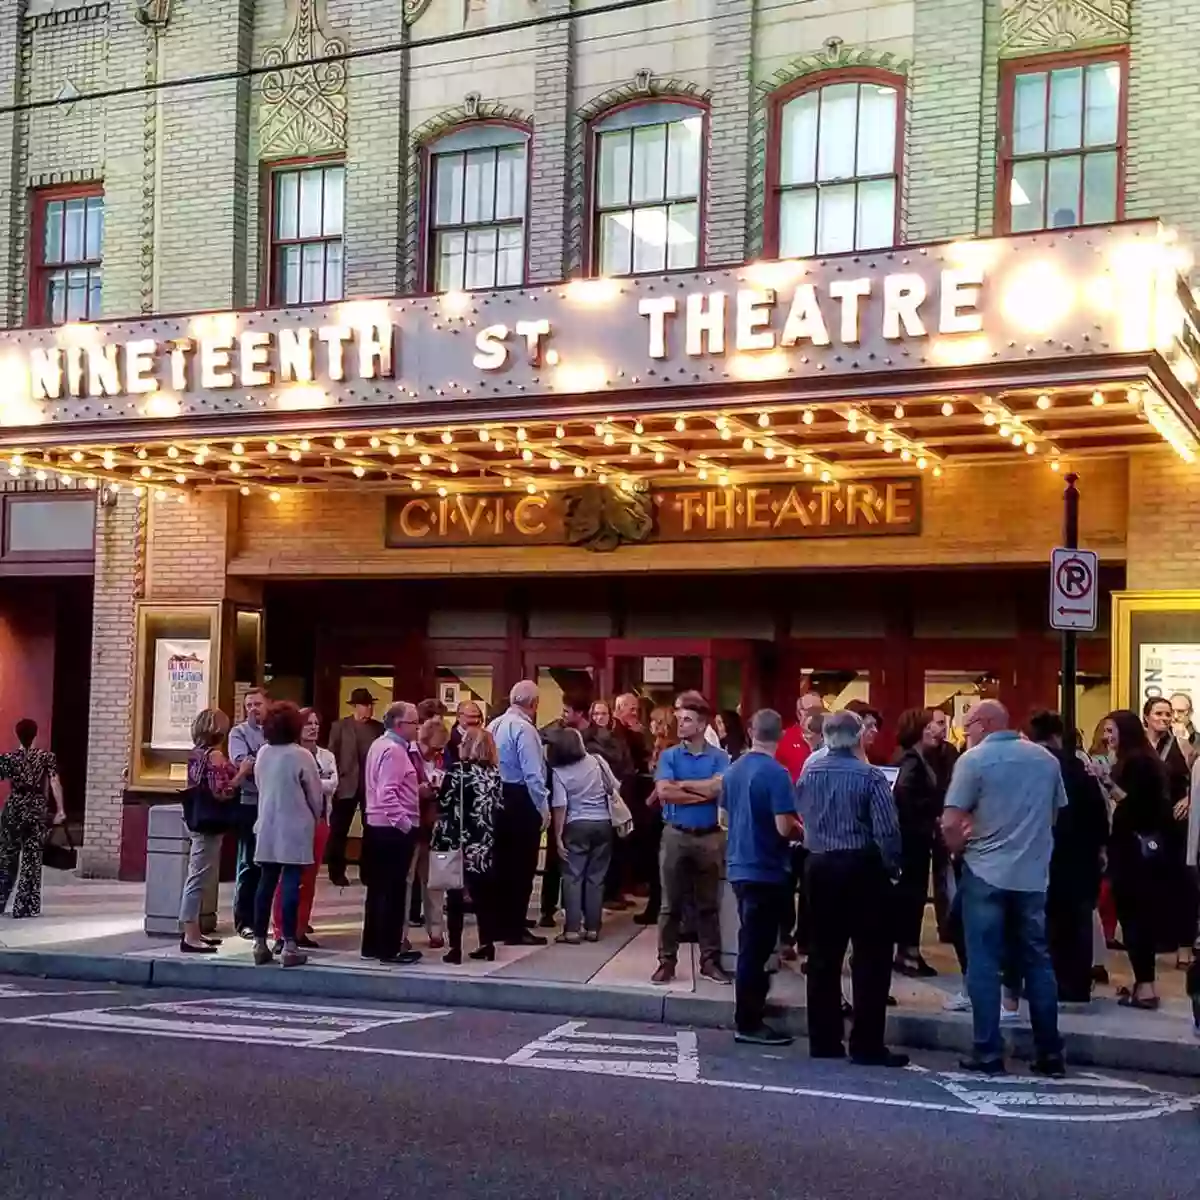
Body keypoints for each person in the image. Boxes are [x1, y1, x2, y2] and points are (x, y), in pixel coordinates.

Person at [941, 700, 1066, 1077]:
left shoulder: (973, 761)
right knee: (1037, 961)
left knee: (983, 962)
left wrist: (958, 847)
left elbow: (950, 820)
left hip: (985, 871)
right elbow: (1055, 813)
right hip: (1031, 876)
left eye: (968, 726)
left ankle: (988, 1051)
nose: (966, 734)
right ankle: (1049, 1052)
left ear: (984, 724)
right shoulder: (1046, 760)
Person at [797, 710, 905, 1066]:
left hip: (819, 862)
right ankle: (866, 1043)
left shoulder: (811, 770)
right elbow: (887, 830)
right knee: (871, 958)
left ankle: (824, 1039)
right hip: (860, 866)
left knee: (823, 955)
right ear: (858, 736)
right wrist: (893, 868)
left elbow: (804, 812)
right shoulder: (870, 776)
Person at [721, 709, 801, 1047]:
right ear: (780, 736)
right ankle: (748, 1020)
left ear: (753, 732)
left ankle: (751, 1008)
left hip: (739, 865)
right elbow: (784, 826)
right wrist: (801, 831)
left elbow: (723, 818)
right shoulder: (777, 773)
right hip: (766, 867)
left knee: (751, 942)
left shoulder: (733, 769)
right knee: (756, 947)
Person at [651, 690, 733, 986]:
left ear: (701, 725)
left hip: (710, 837)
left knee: (708, 904)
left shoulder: (720, 757)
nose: (681, 724)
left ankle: (710, 962)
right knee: (669, 904)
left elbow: (720, 790)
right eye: (679, 718)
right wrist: (703, 789)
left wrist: (683, 786)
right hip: (676, 834)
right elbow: (664, 792)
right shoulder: (670, 755)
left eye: (687, 720)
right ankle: (666, 962)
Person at [1027, 711, 1108, 1003]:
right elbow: (1097, 813)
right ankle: (1076, 984)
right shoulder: (1076, 767)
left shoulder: (1030, 766)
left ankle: (1045, 982)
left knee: (1044, 922)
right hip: (1079, 855)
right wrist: (1100, 848)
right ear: (1058, 735)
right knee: (1078, 920)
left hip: (1040, 854)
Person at [1097, 709, 1172, 1008]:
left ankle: (1146, 988)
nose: (1107, 737)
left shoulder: (1137, 763)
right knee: (1137, 919)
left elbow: (1135, 806)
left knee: (1136, 919)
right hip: (1139, 853)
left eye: (1111, 730)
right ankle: (1143, 984)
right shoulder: (1142, 760)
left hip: (1133, 854)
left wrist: (1107, 782)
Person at [250, 701, 324, 969]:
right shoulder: (301, 755)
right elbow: (315, 795)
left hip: (267, 823)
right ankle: (289, 944)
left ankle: (260, 942)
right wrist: (316, 817)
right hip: (295, 825)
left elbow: (260, 786)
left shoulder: (263, 754)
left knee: (266, 884)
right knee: (292, 882)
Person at [178, 709, 251, 953]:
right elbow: (223, 791)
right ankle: (190, 935)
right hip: (210, 823)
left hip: (196, 819)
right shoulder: (215, 756)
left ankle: (195, 931)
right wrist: (242, 773)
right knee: (198, 878)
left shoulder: (195, 754)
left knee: (198, 876)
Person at [488, 681, 550, 946]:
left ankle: (500, 923)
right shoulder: (524, 729)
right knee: (522, 867)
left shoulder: (494, 725)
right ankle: (515, 927)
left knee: (500, 864)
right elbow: (533, 774)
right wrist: (542, 808)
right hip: (519, 798)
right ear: (534, 704)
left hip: (495, 795)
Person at [361, 701, 423, 965]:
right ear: (399, 725)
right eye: (414, 722)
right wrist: (406, 825)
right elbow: (388, 793)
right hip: (392, 829)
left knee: (377, 889)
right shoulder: (395, 751)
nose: (417, 727)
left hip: (377, 826)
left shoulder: (379, 745)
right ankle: (389, 948)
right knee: (393, 890)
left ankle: (373, 945)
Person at [433, 727, 502, 964]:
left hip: (459, 842)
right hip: (484, 842)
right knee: (485, 897)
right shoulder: (494, 774)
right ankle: (487, 944)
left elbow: (445, 802)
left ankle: (455, 949)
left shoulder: (458, 772)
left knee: (455, 897)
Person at [271, 707, 337, 953]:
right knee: (286, 879)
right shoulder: (289, 754)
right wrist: (317, 783)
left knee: (309, 879)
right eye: (308, 723)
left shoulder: (326, 756)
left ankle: (300, 928)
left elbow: (332, 784)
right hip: (293, 824)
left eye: (316, 723)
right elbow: (301, 786)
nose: (313, 727)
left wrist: (313, 782)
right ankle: (280, 931)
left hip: (319, 821)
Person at [547, 726, 618, 944]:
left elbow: (560, 805)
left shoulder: (559, 771)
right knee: (596, 878)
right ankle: (593, 928)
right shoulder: (597, 761)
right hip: (603, 823)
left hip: (575, 824)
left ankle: (572, 929)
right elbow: (615, 786)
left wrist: (558, 836)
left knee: (572, 877)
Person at [1144, 696, 1195, 966]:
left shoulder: (1182, 744)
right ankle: (1156, 938)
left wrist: (1188, 799)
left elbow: (1196, 778)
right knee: (1151, 881)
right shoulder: (1140, 746)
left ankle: (1184, 944)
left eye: (1167, 714)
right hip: (1149, 820)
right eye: (1159, 714)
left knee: (1182, 880)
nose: (1164, 719)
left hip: (1175, 821)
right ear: (1147, 717)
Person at [891, 708, 942, 978]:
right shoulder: (912, 760)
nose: (936, 731)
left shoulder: (921, 758)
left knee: (914, 898)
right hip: (912, 842)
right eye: (930, 726)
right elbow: (904, 794)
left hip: (915, 840)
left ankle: (908, 951)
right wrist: (928, 817)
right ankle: (907, 952)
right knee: (911, 897)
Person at [0, 719, 66, 920]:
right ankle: (25, 906)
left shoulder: (8, 759)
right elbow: (55, 782)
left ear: (17, 735)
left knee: (6, 857)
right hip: (35, 809)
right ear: (35, 735)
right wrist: (60, 809)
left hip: (14, 808)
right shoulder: (46, 757)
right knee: (32, 858)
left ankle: (0, 900)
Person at [327, 687, 384, 888]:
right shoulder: (340, 727)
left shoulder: (378, 728)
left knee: (371, 830)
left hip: (370, 785)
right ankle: (336, 872)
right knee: (339, 830)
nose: (368, 709)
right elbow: (332, 755)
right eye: (364, 705)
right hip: (346, 784)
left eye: (370, 705)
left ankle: (368, 872)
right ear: (355, 706)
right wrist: (335, 781)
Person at [781, 710, 825, 960]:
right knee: (786, 885)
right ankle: (785, 937)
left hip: (816, 832)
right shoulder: (787, 740)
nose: (807, 736)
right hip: (792, 825)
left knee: (810, 889)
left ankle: (805, 939)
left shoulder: (826, 756)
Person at [401, 717, 448, 950]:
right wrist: (420, 790)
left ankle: (436, 931)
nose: (436, 752)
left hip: (432, 825)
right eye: (434, 747)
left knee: (434, 882)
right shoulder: (408, 756)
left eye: (440, 748)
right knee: (406, 881)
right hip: (412, 824)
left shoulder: (439, 758)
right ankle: (401, 934)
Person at [228, 688, 267, 936]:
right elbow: (242, 762)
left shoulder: (274, 732)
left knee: (268, 865)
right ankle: (245, 922)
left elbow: (256, 763)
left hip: (272, 804)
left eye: (257, 704)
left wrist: (258, 760)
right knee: (248, 864)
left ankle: (263, 919)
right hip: (249, 804)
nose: (253, 708)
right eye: (249, 705)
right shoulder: (238, 732)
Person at [926, 707, 960, 942]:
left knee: (945, 873)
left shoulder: (951, 752)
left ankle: (947, 925)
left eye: (943, 722)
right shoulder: (918, 753)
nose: (942, 727)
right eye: (937, 722)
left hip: (945, 816)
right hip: (925, 819)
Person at [776, 692, 826, 783]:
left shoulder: (832, 740)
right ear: (799, 714)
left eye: (819, 711)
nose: (816, 716)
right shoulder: (784, 739)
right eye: (811, 711)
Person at [445, 699, 484, 768]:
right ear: (458, 717)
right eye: (471, 716)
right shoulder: (449, 740)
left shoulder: (484, 738)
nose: (476, 720)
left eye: (478, 716)